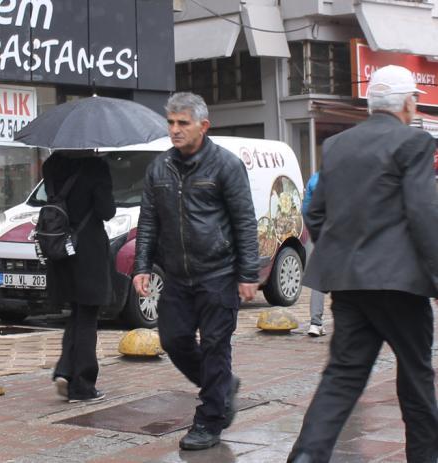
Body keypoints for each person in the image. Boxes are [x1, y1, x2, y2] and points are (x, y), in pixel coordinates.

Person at [288, 65, 438, 463]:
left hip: (349, 284)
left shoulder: (338, 145)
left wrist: (342, 252)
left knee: (342, 376)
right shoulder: (414, 143)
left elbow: (315, 211)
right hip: (401, 286)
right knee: (416, 376)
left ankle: (306, 456)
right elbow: (423, 214)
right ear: (408, 104)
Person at [133, 92, 259, 451]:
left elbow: (244, 221)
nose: (175, 129)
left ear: (203, 126)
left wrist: (248, 273)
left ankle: (209, 420)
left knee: (216, 346)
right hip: (176, 276)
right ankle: (222, 386)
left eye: (183, 123)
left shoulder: (226, 165)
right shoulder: (159, 168)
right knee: (174, 340)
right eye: (171, 122)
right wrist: (141, 267)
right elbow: (148, 221)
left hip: (218, 274)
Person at [44, 150, 115, 403]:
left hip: (61, 248)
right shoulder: (96, 167)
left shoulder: (52, 164)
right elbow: (106, 210)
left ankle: (65, 370)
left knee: (76, 313)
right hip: (88, 250)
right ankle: (82, 385)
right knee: (87, 316)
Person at [302, 172, 326, 337]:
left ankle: (315, 323)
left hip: (323, 236)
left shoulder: (315, 178)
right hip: (346, 236)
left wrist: (316, 234)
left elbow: (306, 210)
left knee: (319, 279)